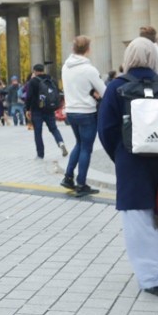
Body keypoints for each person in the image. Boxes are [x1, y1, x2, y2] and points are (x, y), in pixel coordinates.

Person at [98, 38, 158, 298]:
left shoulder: (116, 88)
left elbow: (106, 129)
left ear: (128, 58)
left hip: (132, 162)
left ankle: (152, 279)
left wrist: (120, 154)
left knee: (138, 221)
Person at [60, 36, 107, 196]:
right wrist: (94, 94)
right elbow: (104, 91)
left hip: (71, 111)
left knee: (79, 144)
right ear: (87, 49)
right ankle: (81, 184)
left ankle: (68, 177)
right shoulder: (89, 69)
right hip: (86, 112)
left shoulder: (65, 66)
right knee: (86, 148)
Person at [24, 64, 68, 159]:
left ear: (35, 71)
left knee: (38, 132)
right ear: (43, 70)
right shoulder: (51, 80)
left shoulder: (33, 81)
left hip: (37, 110)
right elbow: (58, 92)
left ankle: (40, 154)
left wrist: (27, 109)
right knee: (54, 129)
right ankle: (60, 143)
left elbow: (29, 96)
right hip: (49, 109)